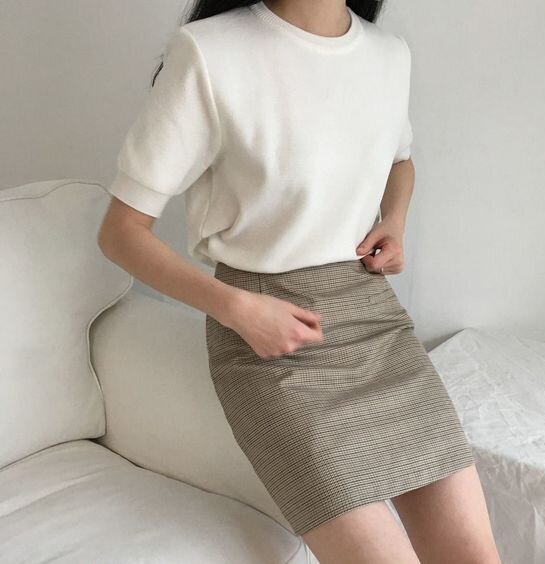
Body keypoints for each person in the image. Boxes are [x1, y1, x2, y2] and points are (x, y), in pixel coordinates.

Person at [98, 1, 502, 562]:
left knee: (476, 556)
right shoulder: (210, 52)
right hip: (270, 344)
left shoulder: (388, 55)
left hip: (376, 322)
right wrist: (237, 309)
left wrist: (393, 221)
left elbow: (400, 159)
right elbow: (120, 233)